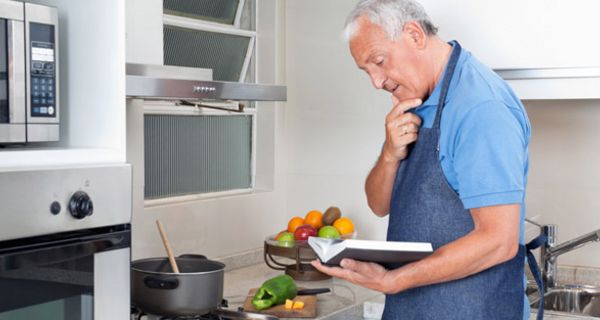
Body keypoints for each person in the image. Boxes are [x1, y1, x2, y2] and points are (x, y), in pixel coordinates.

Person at [311, 0, 533, 319]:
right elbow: (379, 205)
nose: (376, 81)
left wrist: (393, 279)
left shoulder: (481, 109)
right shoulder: (417, 100)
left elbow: (499, 241)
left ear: (414, 35)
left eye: (379, 61)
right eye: (367, 71)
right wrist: (389, 154)